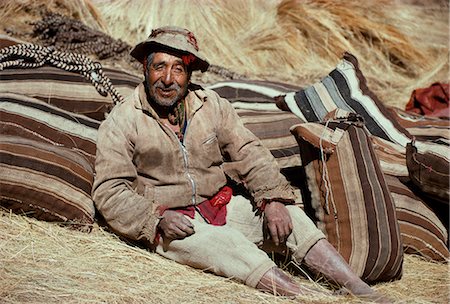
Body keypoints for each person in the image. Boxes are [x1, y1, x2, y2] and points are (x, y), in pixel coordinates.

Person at [92, 26, 391, 302]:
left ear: (190, 74)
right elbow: (109, 191)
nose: (168, 79)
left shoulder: (212, 106)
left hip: (219, 206)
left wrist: (272, 198)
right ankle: (308, 298)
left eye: (178, 69)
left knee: (291, 216)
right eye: (159, 67)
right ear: (145, 68)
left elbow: (250, 152)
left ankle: (360, 290)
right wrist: (156, 218)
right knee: (228, 247)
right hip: (173, 224)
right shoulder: (122, 120)